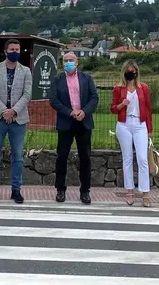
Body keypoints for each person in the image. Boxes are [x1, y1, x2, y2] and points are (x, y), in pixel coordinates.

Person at [0, 38, 32, 204]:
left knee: (18, 156)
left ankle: (16, 190)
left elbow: (27, 94)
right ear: (5, 51)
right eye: (11, 49)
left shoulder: (26, 71)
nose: (15, 52)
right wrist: (4, 111)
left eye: (17, 50)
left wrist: (14, 111)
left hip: (18, 119)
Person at [49, 51, 98, 204]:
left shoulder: (87, 78)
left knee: (85, 158)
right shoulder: (57, 79)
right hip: (66, 122)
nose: (68, 62)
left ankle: (85, 191)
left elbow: (94, 97)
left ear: (77, 62)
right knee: (62, 157)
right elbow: (54, 100)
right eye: (65, 60)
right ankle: (60, 189)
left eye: (71, 60)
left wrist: (84, 112)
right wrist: (70, 112)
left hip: (84, 122)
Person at [110, 59, 153, 206]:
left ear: (136, 72)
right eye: (128, 70)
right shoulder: (118, 88)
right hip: (124, 124)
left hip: (140, 124)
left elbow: (148, 109)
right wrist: (121, 104)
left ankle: (145, 192)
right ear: (124, 72)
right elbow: (113, 108)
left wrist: (149, 129)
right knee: (127, 158)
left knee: (142, 158)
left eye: (133, 70)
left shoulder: (144, 88)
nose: (131, 73)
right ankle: (129, 191)